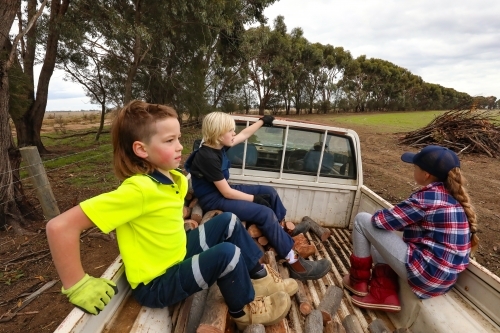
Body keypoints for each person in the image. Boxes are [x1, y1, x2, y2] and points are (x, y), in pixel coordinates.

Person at [46, 101, 299, 330]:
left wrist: (180, 224)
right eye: (169, 141)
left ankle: (260, 279)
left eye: (179, 138)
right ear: (141, 149)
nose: (180, 147)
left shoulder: (167, 179)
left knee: (228, 221)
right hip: (157, 284)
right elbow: (60, 227)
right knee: (227, 254)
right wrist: (77, 284)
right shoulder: (138, 190)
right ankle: (244, 310)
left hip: (175, 254)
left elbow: (157, 218)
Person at [185, 112, 331, 281]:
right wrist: (255, 199)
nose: (234, 133)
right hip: (215, 198)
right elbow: (226, 193)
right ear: (218, 134)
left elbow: (244, 135)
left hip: (223, 190)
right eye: (230, 130)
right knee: (264, 213)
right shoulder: (207, 156)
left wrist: (262, 121)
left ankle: (282, 230)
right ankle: (296, 264)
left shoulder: (217, 145)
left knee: (269, 192)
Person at [342, 145, 478, 312]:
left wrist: (385, 216)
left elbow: (380, 222)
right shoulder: (452, 198)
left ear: (426, 174)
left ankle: (358, 282)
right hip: (442, 281)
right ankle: (384, 293)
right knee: (386, 235)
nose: (413, 171)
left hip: (425, 277)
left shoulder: (427, 198)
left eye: (415, 167)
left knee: (362, 220)